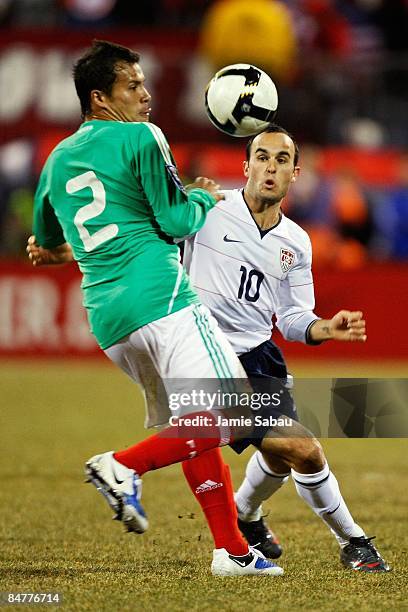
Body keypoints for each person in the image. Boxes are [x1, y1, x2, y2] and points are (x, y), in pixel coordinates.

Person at [27, 40, 284, 577]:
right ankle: (121, 465)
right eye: (132, 85)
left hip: (109, 320)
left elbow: (46, 242)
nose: (146, 95)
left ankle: (232, 552)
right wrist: (202, 199)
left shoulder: (56, 158)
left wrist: (55, 252)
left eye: (143, 83)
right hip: (161, 297)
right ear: (100, 97)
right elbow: (176, 223)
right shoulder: (142, 136)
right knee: (232, 411)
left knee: (194, 423)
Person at [183, 124, 390, 573]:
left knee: (278, 455)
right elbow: (149, 238)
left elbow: (293, 318)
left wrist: (324, 327)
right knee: (305, 450)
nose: (270, 167)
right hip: (209, 358)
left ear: (296, 173)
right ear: (246, 166)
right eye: (261, 156)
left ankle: (244, 515)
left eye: (281, 160)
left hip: (260, 356)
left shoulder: (295, 242)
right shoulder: (208, 212)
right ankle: (354, 541)